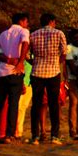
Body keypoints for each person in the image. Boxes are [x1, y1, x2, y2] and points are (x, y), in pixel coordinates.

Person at [0, 13, 30, 145]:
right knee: (13, 104)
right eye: (26, 21)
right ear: (22, 21)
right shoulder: (23, 31)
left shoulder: (3, 34)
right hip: (15, 72)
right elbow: (25, 43)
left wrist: (8, 58)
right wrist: (21, 61)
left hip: (2, 73)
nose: (27, 24)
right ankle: (10, 135)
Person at [29, 13, 67, 145]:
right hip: (53, 72)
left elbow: (27, 54)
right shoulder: (59, 33)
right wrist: (57, 62)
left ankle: (35, 136)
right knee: (54, 104)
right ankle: (54, 136)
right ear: (51, 22)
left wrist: (35, 62)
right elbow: (64, 53)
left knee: (36, 105)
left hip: (37, 72)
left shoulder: (33, 35)